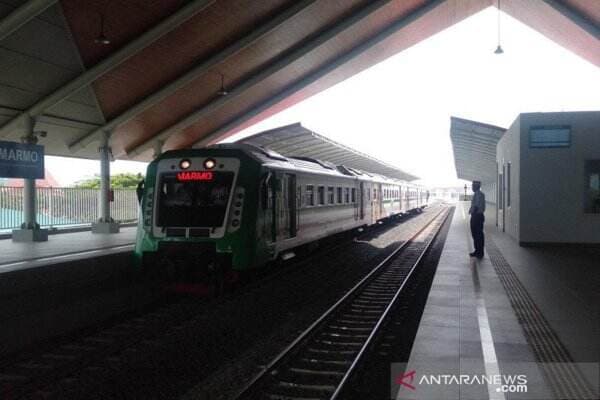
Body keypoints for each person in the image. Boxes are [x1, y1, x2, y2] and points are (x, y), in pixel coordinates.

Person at [469, 180, 485, 259]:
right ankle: (477, 251)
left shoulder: (479, 195)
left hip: (477, 217)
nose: (472, 187)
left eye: (473, 186)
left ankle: (480, 252)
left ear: (477, 186)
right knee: (475, 234)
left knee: (478, 235)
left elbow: (476, 206)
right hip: (475, 216)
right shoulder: (476, 194)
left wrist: (473, 212)